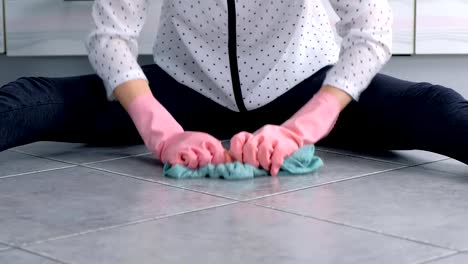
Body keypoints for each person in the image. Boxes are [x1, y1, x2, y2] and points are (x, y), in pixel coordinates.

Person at [1, 0, 467, 176]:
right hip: (181, 89)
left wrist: (300, 129)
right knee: (32, 99)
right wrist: (162, 132)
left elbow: (371, 31)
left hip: (303, 83)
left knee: (435, 108)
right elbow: (110, 37)